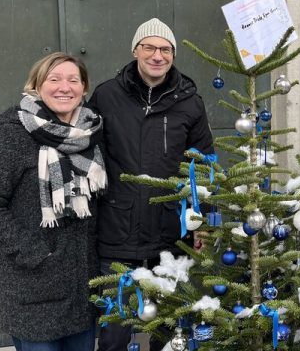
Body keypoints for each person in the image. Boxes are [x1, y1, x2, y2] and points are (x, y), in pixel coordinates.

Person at [89, 18, 214, 351]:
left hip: (169, 232)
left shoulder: (189, 101)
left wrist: (204, 224)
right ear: (135, 50)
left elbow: (202, 164)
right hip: (117, 233)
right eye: (150, 47)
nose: (157, 55)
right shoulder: (106, 95)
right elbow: (86, 154)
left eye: (165, 49)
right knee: (115, 335)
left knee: (168, 332)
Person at [0, 52, 105, 351]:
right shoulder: (12, 132)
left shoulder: (91, 132)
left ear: (84, 87)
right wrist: (36, 254)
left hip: (80, 291)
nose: (64, 87)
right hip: (33, 288)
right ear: (36, 85)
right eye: (53, 79)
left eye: (73, 80)